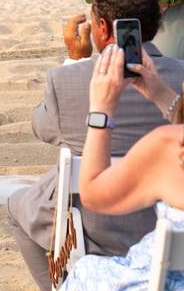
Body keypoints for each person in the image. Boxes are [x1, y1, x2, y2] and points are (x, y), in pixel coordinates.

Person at [6, 0, 184, 291]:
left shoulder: (68, 80)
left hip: (96, 230)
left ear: (101, 28)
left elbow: (42, 128)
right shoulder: (180, 77)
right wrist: (160, 92)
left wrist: (76, 65)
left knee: (19, 205)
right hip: (167, 241)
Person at [59, 44, 184, 289]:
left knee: (85, 270)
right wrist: (159, 93)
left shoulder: (171, 149)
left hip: (152, 282)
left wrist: (101, 110)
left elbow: (94, 195)